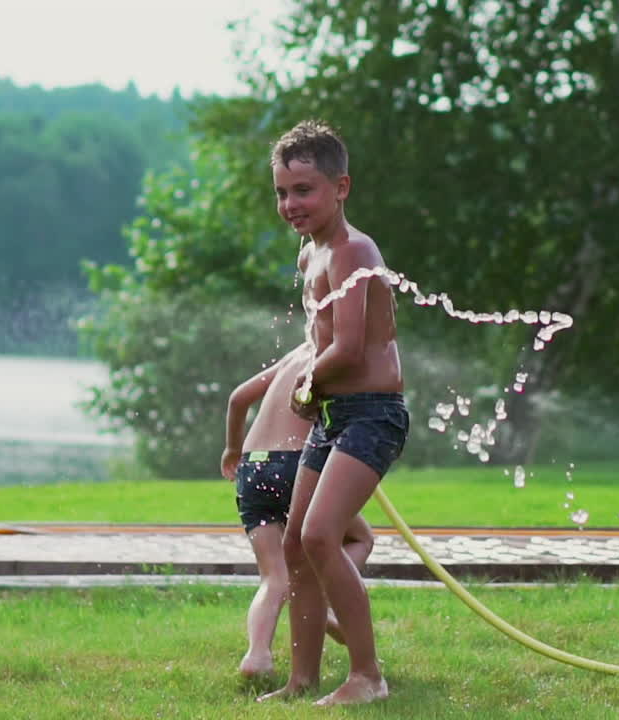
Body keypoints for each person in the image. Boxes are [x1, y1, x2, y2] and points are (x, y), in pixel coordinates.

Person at [259, 120, 408, 706]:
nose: (290, 204)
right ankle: (301, 681)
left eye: (304, 190)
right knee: (296, 543)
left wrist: (305, 383)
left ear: (340, 187)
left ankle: (368, 676)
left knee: (322, 536)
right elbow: (320, 342)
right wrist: (313, 389)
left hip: (373, 414)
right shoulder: (310, 254)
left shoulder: (354, 251)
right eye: (281, 192)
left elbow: (346, 349)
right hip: (336, 415)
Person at [221, 342, 376, 680]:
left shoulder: (295, 354)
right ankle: (325, 602)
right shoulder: (334, 358)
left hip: (252, 468)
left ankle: (257, 655)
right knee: (360, 538)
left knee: (274, 576)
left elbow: (237, 399)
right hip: (296, 463)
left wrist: (233, 448)